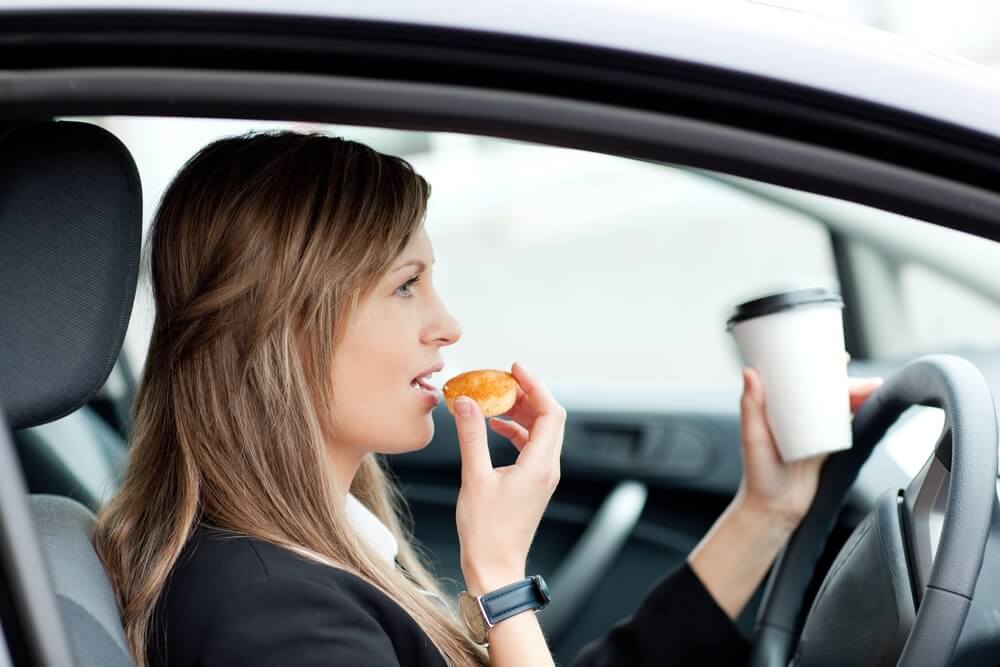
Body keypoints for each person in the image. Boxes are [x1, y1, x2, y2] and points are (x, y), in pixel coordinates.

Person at [92, 131, 880, 667]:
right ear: (284, 328)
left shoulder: (305, 553)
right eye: (406, 286)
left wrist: (766, 511)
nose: (448, 326)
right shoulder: (269, 617)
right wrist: (499, 578)